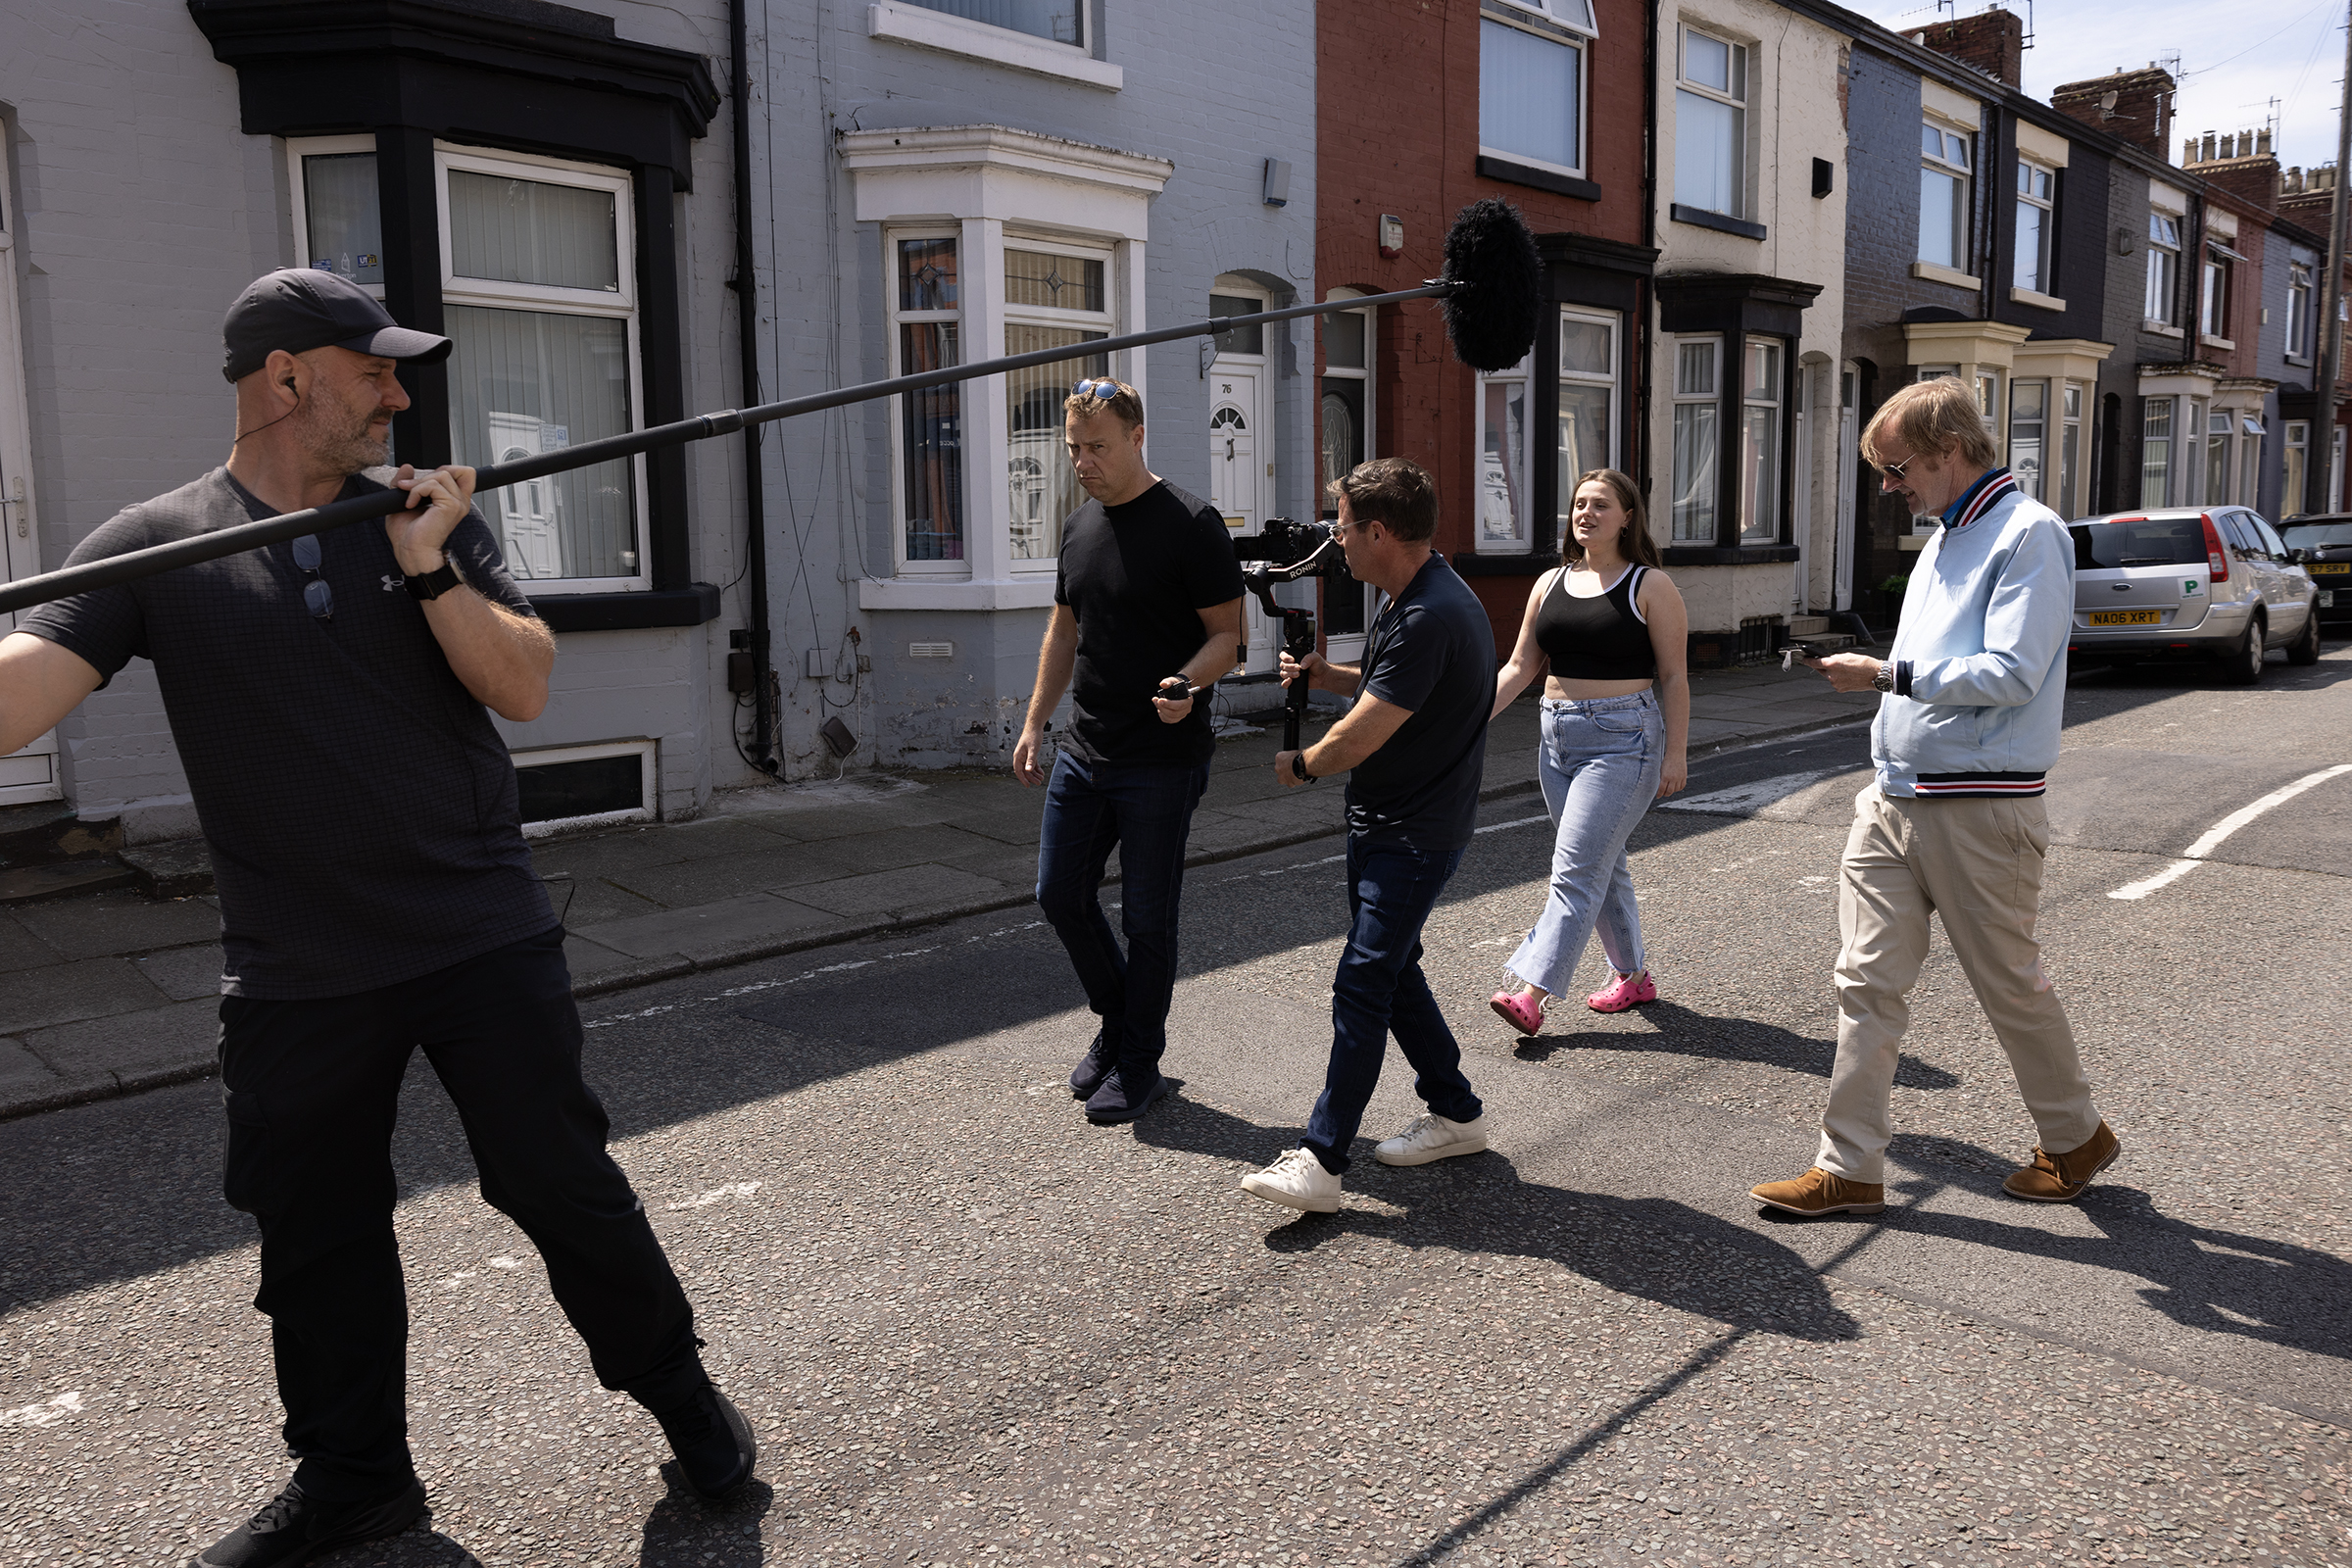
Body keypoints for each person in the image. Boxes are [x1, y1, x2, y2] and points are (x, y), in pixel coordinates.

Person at [0, 270, 755, 1568]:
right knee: (315, 1234)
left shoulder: (427, 517)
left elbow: (520, 686)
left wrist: (424, 566)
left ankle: (686, 1402)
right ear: (287, 380)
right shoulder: (155, 543)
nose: (402, 394)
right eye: (376, 370)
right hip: (298, 969)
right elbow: (18, 699)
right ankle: (356, 1482)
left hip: (477, 935)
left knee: (560, 1188)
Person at [1750, 374, 2118, 1218]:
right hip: (1893, 798)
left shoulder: (2030, 534)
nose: (1890, 487)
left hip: (1981, 807)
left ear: (1950, 451)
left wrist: (1885, 672)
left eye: (1898, 468)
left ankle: (2075, 1135)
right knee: (1864, 981)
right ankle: (1849, 1167)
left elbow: (2015, 671)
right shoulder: (1946, 539)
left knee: (2008, 984)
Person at [1239, 458, 1496, 1213]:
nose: (1335, 540)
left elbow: (1364, 736)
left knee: (1363, 980)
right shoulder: (1417, 594)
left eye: (1343, 527)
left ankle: (1321, 1161)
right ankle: (1457, 1111)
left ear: (1379, 531)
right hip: (1394, 821)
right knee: (1394, 971)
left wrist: (1304, 766)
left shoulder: (1427, 613)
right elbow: (1396, 688)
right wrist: (1328, 675)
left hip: (1413, 834)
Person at [1011, 377, 1246, 1125]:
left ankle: (1139, 1062)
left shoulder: (1191, 524)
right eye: (1075, 448)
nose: (1084, 461)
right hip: (1087, 748)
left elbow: (1229, 640)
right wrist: (1034, 721)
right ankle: (1120, 1025)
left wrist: (1186, 681)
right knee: (1060, 894)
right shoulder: (1079, 526)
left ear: (1137, 437)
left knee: (1148, 918)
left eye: (1098, 448)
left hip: (1161, 760)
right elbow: (1063, 630)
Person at [1485, 468, 1690, 1035]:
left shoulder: (1649, 586)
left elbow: (1674, 677)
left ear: (1627, 517)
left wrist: (1677, 753)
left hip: (1625, 741)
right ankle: (1632, 976)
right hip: (1557, 738)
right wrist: (1469, 721)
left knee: (1574, 869)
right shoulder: (1549, 582)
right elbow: (1522, 666)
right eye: (1579, 504)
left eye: (1600, 505)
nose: (1585, 514)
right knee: (1602, 863)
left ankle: (1533, 992)